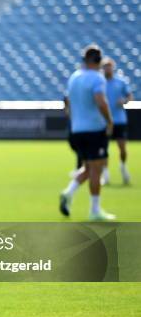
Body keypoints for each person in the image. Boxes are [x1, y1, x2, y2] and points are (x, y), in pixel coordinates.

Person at [59, 45, 115, 221]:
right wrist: (109, 121)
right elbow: (100, 100)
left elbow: (66, 101)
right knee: (96, 169)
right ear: (98, 61)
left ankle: (68, 193)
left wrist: (72, 118)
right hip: (94, 129)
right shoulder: (97, 78)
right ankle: (95, 210)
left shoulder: (74, 77)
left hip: (77, 130)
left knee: (89, 167)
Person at [101, 57, 133, 185]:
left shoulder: (121, 82)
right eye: (105, 66)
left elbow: (130, 96)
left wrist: (124, 101)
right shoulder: (100, 82)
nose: (107, 68)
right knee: (103, 149)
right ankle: (106, 174)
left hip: (119, 120)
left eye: (109, 66)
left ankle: (123, 167)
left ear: (112, 67)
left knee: (122, 148)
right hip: (103, 121)